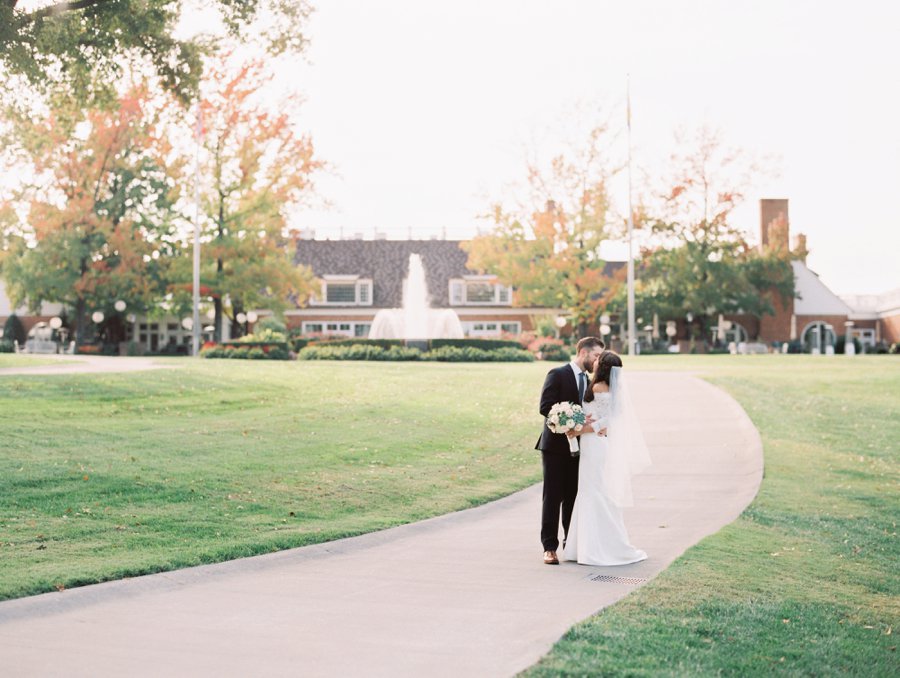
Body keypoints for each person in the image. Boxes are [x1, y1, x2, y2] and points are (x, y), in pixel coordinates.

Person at [562, 351, 651, 566]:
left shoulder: (600, 387)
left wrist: (580, 430)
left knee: (593, 492)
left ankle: (593, 549)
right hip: (597, 444)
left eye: (598, 360)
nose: (594, 361)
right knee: (593, 491)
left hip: (595, 445)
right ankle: (584, 548)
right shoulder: (610, 388)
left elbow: (607, 419)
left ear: (601, 366)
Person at [535, 336, 605, 565]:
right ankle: (549, 547)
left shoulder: (588, 380)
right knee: (552, 497)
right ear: (584, 352)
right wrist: (573, 420)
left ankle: (570, 545)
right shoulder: (557, 374)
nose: (597, 361)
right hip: (555, 447)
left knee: (573, 497)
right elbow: (545, 407)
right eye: (596, 356)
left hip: (579, 450)